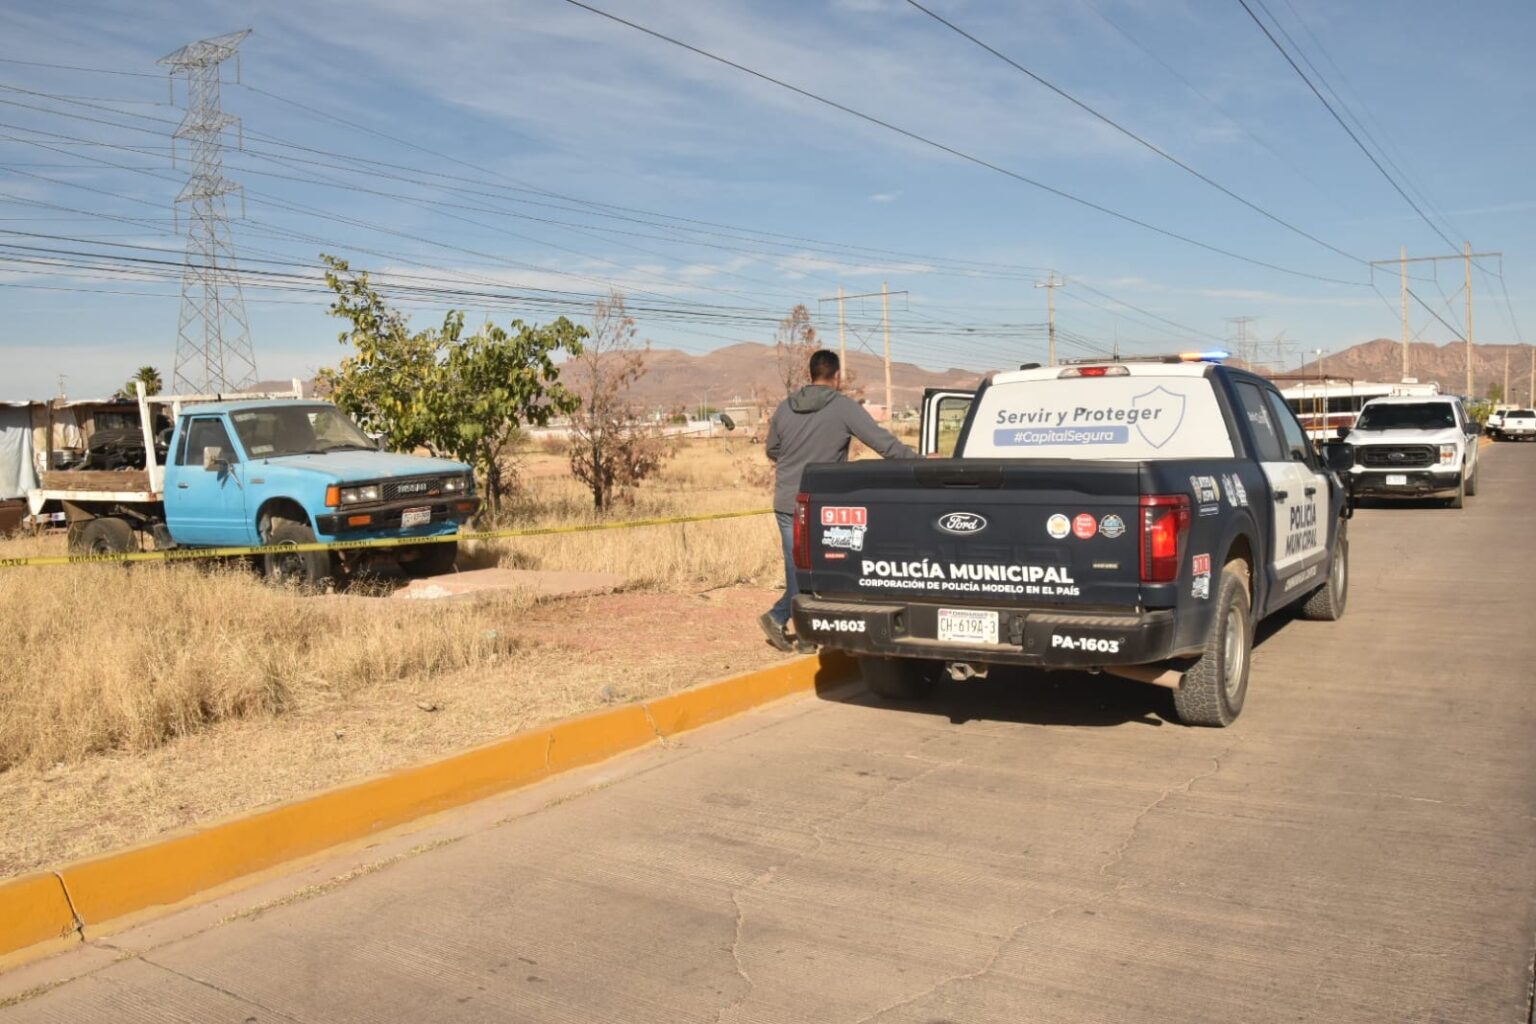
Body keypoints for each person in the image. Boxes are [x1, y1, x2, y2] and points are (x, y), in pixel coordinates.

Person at [761, 349, 916, 652]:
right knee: (822, 567)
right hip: (820, 504)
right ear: (836, 376)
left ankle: (795, 628)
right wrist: (920, 462)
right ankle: (790, 624)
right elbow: (883, 444)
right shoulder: (843, 407)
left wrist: (796, 459)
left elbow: (772, 448)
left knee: (798, 567)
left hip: (787, 501)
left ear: (810, 374)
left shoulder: (785, 407)